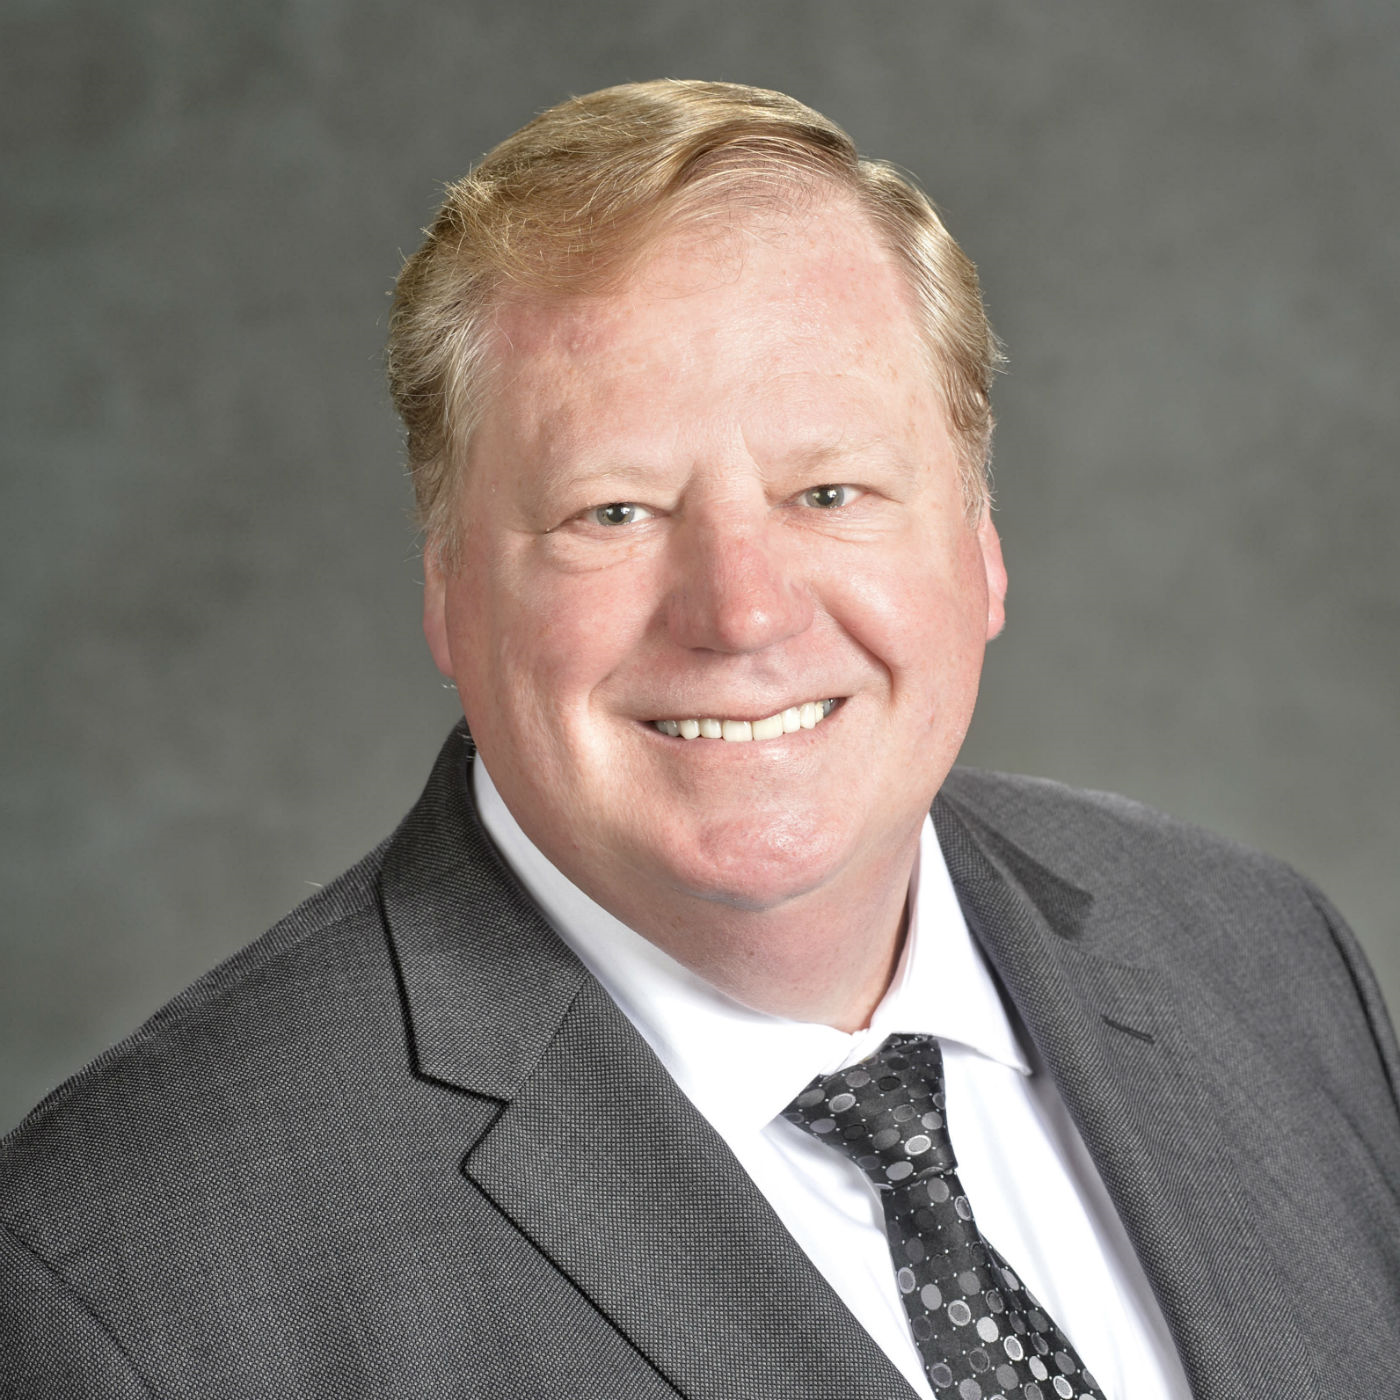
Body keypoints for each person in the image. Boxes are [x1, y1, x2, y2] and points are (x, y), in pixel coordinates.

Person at [2, 79, 1397, 1400]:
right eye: (612, 512)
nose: (741, 610)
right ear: (447, 588)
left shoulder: (1260, 957)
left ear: (980, 545)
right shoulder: (130, 1284)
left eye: (831, 491)